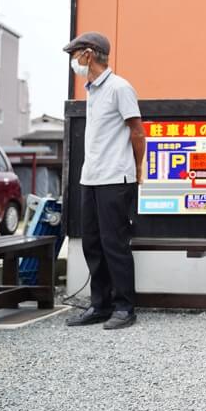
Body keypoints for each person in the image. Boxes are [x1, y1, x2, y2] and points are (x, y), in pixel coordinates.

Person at [63, 32, 145, 330]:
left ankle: (125, 308)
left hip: (115, 177)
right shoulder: (92, 90)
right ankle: (100, 305)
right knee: (92, 244)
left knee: (115, 244)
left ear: (89, 53)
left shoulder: (120, 88)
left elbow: (137, 131)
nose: (74, 61)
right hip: (92, 177)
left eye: (76, 54)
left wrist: (137, 169)